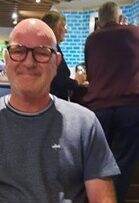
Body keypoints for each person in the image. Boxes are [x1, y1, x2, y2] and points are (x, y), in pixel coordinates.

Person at [0, 18, 120, 203]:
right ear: (7, 59)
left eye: (42, 52)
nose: (28, 63)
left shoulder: (85, 124)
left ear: (56, 62)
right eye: (18, 51)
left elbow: (103, 198)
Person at [83, 2, 139, 202]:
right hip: (130, 107)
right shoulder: (134, 33)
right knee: (123, 163)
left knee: (97, 162)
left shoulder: (91, 40)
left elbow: (90, 73)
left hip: (99, 108)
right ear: (118, 17)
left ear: (100, 20)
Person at [42, 11, 86, 101]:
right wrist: (77, 82)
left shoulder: (49, 47)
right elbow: (59, 80)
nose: (66, 31)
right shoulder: (50, 49)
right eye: (63, 25)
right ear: (53, 28)